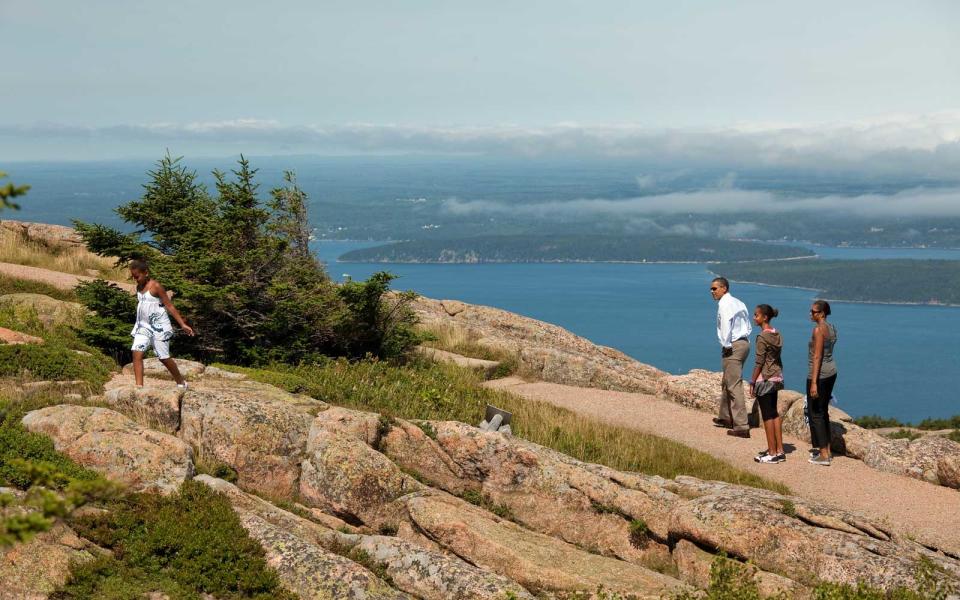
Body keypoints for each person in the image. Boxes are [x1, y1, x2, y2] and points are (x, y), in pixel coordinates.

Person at [129, 259, 195, 387]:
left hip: (159, 327)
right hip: (143, 326)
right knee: (136, 352)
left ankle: (181, 382)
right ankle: (139, 387)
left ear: (146, 273)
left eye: (137, 276)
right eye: (133, 277)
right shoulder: (139, 287)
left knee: (163, 357)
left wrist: (182, 324)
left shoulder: (156, 286)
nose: (135, 279)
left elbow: (169, 306)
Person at [709, 277, 753, 438]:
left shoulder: (724, 304)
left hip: (733, 345)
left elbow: (726, 325)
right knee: (727, 380)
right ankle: (725, 417)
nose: (712, 292)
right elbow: (748, 325)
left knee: (734, 384)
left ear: (724, 288)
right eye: (711, 289)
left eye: (715, 288)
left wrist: (726, 345)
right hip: (744, 343)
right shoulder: (739, 302)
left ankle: (741, 425)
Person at [748, 304, 785, 463]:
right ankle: (780, 450)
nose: (754, 317)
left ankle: (771, 452)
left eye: (756, 315)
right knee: (774, 413)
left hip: (766, 378)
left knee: (767, 416)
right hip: (777, 376)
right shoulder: (777, 334)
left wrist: (752, 381)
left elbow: (759, 362)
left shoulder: (762, 337)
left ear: (764, 317)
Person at [807, 299, 838, 466]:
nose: (811, 314)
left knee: (816, 412)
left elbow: (817, 356)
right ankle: (828, 448)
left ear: (822, 313)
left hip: (820, 374)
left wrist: (813, 382)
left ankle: (824, 455)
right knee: (823, 410)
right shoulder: (832, 328)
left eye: (814, 312)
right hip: (832, 371)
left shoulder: (818, 330)